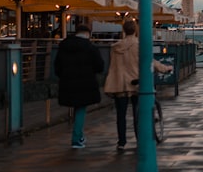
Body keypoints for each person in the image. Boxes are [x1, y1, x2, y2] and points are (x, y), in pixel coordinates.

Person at [103, 19, 173, 151]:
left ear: (123, 30)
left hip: (120, 84)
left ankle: (121, 142)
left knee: (120, 115)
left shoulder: (115, 47)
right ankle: (139, 138)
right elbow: (150, 62)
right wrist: (165, 68)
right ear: (135, 30)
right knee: (138, 114)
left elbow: (113, 66)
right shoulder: (139, 45)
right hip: (135, 83)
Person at [55, 19, 104, 149]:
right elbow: (99, 66)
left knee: (78, 107)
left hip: (68, 82)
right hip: (85, 83)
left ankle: (78, 136)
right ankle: (77, 138)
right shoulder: (91, 48)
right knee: (81, 108)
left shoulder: (64, 45)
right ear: (88, 33)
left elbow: (57, 66)